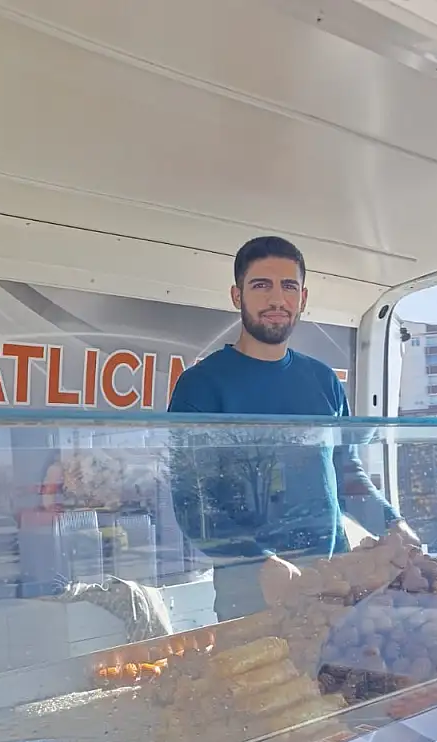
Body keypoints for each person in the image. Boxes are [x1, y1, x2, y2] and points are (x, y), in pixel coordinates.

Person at [168, 235, 417, 619]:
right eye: (261, 285)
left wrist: (392, 523)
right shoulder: (201, 386)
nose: (276, 299)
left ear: (303, 298)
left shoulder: (323, 380)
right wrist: (258, 563)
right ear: (237, 296)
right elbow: (192, 503)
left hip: (335, 584)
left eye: (288, 286)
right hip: (252, 599)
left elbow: (345, 472)